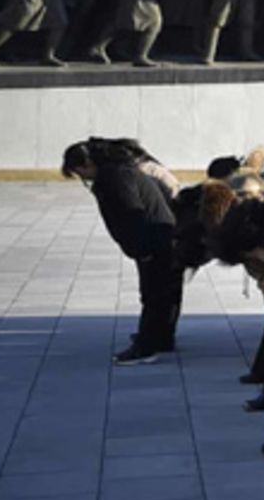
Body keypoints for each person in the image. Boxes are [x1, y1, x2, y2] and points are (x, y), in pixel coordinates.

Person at [61, 139, 182, 364]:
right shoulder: (123, 170)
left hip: (154, 241)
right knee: (161, 292)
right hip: (162, 237)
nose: (83, 178)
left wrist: (142, 248)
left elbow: (132, 214)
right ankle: (160, 338)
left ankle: (147, 347)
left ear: (87, 162)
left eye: (80, 172)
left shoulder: (114, 177)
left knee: (153, 294)